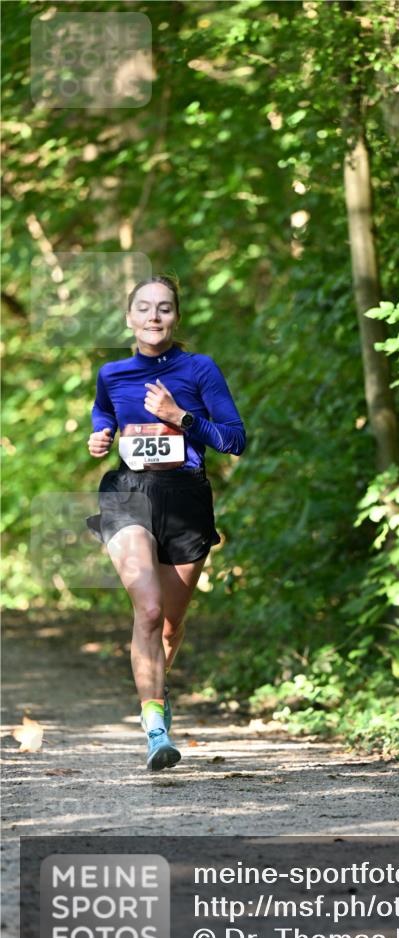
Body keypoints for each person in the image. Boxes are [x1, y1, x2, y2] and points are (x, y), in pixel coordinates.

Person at [86, 274, 246, 771]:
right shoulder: (112, 373)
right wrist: (100, 437)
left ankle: (154, 692)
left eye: (165, 308)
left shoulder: (199, 369)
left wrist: (182, 417)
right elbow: (102, 415)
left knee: (172, 626)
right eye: (144, 308)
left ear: (176, 317)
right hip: (128, 495)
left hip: (185, 498)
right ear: (129, 318)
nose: (154, 317)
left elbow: (235, 440)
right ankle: (155, 727)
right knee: (149, 612)